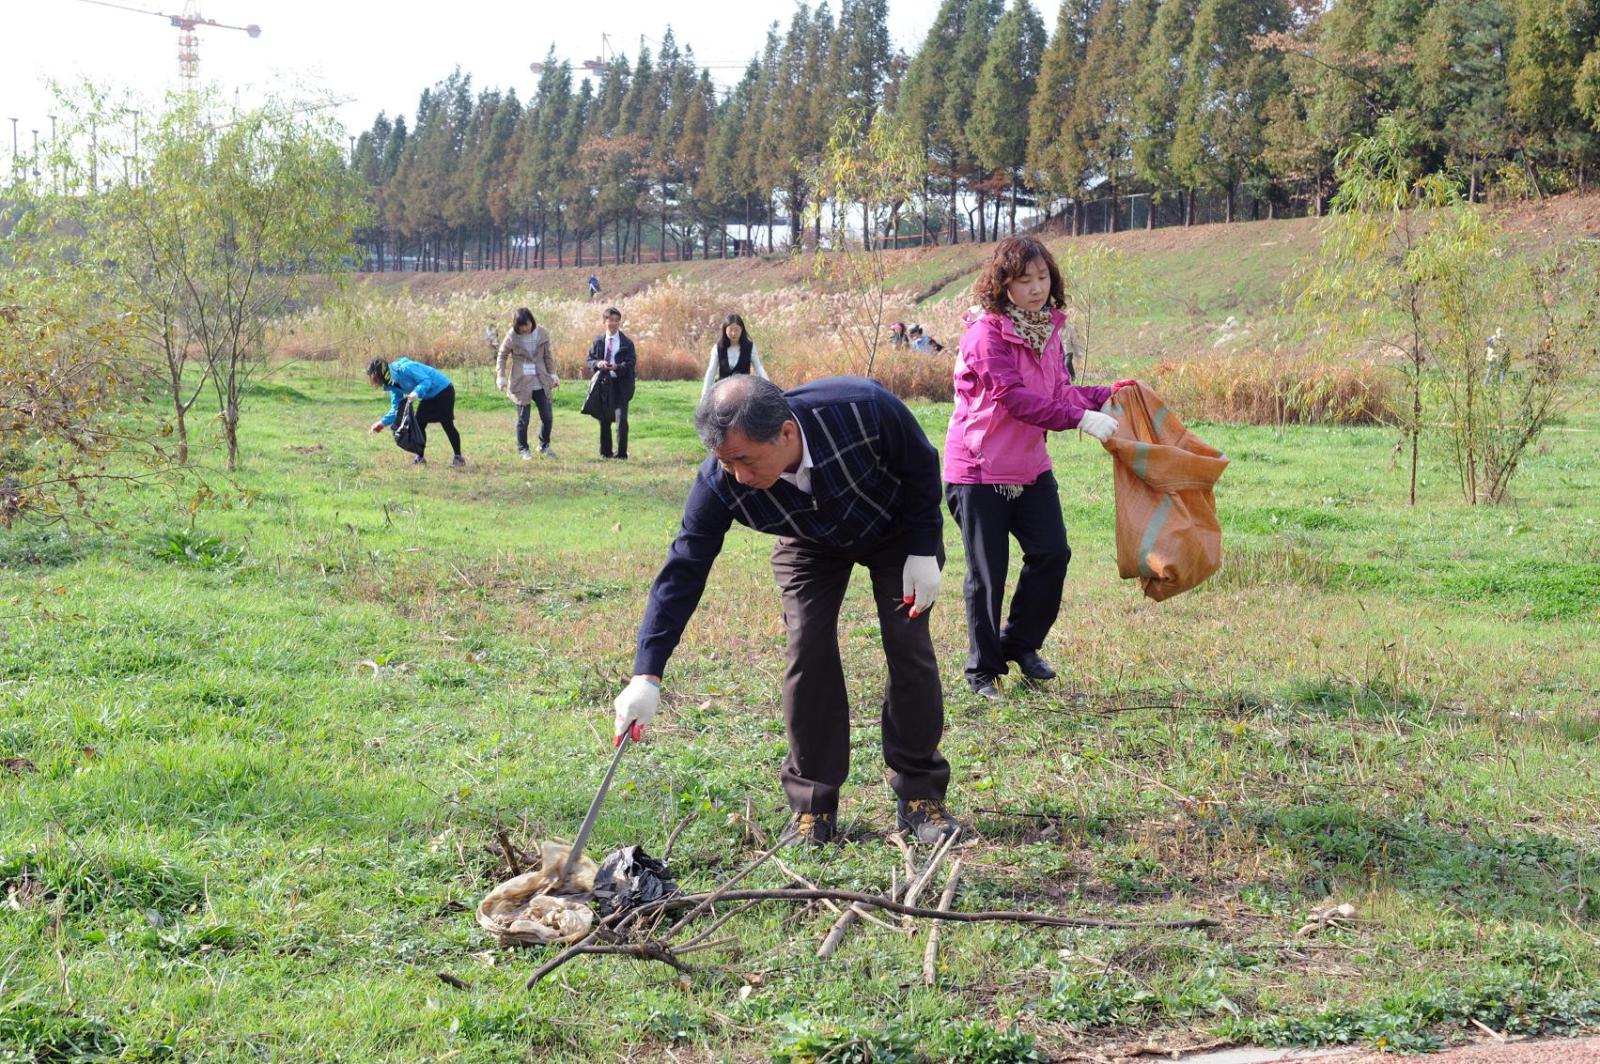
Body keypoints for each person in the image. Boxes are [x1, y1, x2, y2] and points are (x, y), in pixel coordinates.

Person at [611, 374, 960, 847]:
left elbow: (920, 462)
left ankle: (920, 795)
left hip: (894, 530)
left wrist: (922, 545)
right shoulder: (720, 482)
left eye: (745, 460)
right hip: (807, 541)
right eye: (725, 462)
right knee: (807, 646)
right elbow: (684, 567)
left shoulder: (863, 408)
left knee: (907, 642)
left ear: (787, 433)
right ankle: (813, 804)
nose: (738, 476)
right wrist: (646, 674)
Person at [943, 235, 1132, 702]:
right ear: (1002, 283)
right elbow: (1014, 397)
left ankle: (1020, 644)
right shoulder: (985, 334)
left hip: (1029, 467)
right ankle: (983, 671)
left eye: (1043, 277)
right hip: (979, 471)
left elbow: (1058, 392)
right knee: (988, 573)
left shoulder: (1046, 331)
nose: (1036, 288)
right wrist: (1081, 420)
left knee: (1052, 554)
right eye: (1024, 279)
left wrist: (1104, 396)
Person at [366, 356, 464, 467]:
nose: (375, 381)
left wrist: (416, 392)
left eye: (375, 377)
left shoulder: (406, 368)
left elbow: (426, 381)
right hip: (428, 396)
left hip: (443, 389)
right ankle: (420, 458)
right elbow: (396, 408)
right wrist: (382, 423)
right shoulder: (391, 383)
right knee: (418, 424)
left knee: (447, 424)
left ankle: (458, 458)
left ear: (382, 372)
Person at [496, 307, 560, 459]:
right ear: (516, 325)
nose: (525, 328)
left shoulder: (542, 333)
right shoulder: (512, 336)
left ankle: (544, 445)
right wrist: (501, 376)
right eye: (521, 326)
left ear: (532, 321)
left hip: (541, 380)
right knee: (523, 419)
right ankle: (523, 449)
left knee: (547, 417)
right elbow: (502, 355)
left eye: (527, 324)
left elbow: (547, 356)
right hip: (521, 382)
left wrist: (552, 374)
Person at [585, 307, 637, 460]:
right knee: (604, 419)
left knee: (621, 420)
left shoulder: (627, 342)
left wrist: (617, 367)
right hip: (604, 383)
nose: (613, 323)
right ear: (604, 321)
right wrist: (598, 363)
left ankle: (621, 454)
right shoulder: (598, 341)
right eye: (610, 320)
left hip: (621, 384)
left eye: (616, 321)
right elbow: (589, 360)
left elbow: (631, 363)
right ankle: (605, 452)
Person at [700, 313, 770, 399]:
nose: (733, 333)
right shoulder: (718, 348)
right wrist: (704, 395)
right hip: (722, 391)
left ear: (742, 330)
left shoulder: (750, 347)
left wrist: (769, 386)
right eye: (730, 330)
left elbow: (758, 367)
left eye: (736, 330)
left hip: (744, 391)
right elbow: (711, 371)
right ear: (725, 330)